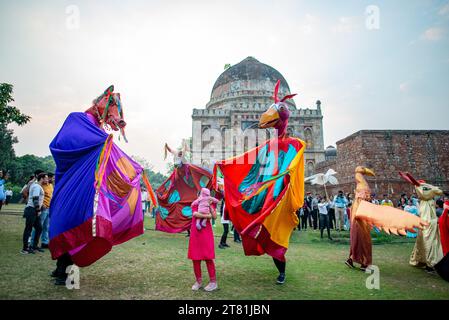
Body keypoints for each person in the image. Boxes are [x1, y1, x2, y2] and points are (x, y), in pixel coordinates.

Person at [188, 189, 218, 291]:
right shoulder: (195, 204)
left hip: (206, 234)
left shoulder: (209, 203)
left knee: (208, 257)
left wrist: (209, 206)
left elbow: (214, 216)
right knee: (195, 258)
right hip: (196, 234)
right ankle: (198, 281)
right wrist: (207, 216)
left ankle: (213, 282)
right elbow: (195, 214)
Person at [21, 173, 46, 254]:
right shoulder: (36, 186)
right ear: (41, 178)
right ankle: (25, 249)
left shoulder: (38, 186)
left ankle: (34, 246)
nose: (47, 179)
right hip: (32, 210)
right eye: (45, 178)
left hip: (34, 210)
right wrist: (38, 210)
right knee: (28, 229)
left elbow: (38, 200)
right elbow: (35, 199)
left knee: (39, 228)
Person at [30, 173, 53, 249]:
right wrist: (42, 204)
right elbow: (38, 196)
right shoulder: (40, 186)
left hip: (49, 208)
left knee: (46, 227)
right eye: (51, 178)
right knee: (38, 226)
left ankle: (44, 242)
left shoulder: (50, 186)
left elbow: (50, 196)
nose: (52, 179)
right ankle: (32, 242)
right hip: (43, 208)